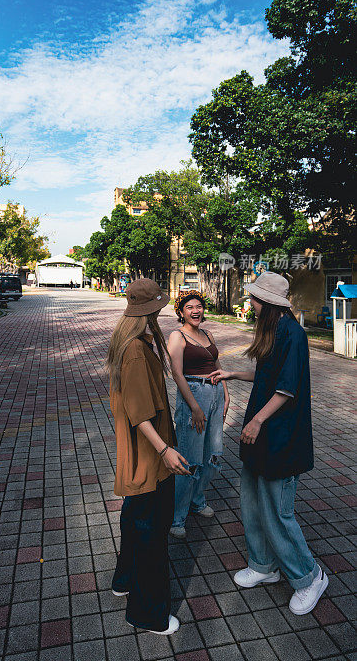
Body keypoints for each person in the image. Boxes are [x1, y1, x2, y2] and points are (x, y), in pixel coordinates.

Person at [208, 271, 328, 615]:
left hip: (281, 438)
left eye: (255, 298)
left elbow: (287, 388)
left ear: (269, 303)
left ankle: (310, 577)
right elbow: (267, 376)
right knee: (252, 503)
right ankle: (263, 565)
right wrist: (233, 373)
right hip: (260, 437)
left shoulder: (292, 333)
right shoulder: (272, 330)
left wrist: (258, 420)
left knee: (278, 511)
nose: (251, 302)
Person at [108, 278, 191, 635]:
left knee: (134, 518)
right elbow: (140, 413)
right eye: (157, 308)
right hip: (150, 456)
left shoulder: (132, 340)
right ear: (148, 311)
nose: (161, 312)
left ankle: (124, 579)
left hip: (141, 456)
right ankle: (147, 613)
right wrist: (165, 451)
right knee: (151, 532)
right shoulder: (137, 352)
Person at [168, 290, 230, 538]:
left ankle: (197, 499)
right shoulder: (177, 335)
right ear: (181, 312)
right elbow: (177, 373)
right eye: (189, 307)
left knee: (213, 455)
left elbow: (217, 366)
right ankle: (178, 517)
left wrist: (226, 393)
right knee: (189, 459)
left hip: (214, 395)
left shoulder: (208, 334)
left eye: (199, 306)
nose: (195, 311)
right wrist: (194, 406)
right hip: (193, 395)